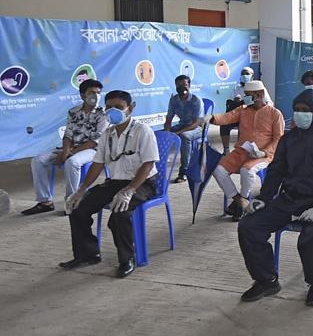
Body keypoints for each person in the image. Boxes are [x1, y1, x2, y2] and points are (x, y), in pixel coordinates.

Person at [237, 88, 313, 306]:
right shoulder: (289, 139)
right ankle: (266, 279)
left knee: (311, 236)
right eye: (296, 110)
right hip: (290, 199)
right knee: (249, 226)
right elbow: (276, 171)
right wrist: (264, 197)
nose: (300, 114)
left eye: (305, 110)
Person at [60, 90, 159, 278]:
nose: (113, 111)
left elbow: (148, 164)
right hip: (115, 182)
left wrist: (130, 190)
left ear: (131, 108)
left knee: (119, 213)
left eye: (119, 107)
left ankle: (126, 260)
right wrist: (80, 190)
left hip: (142, 183)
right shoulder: (107, 134)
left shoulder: (142, 131)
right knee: (77, 207)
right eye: (109, 107)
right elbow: (97, 164)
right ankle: (88, 254)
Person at [22, 79, 108, 216]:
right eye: (92, 92)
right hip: (72, 148)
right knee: (38, 160)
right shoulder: (73, 111)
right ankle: (45, 202)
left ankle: (71, 202)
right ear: (82, 95)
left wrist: (69, 154)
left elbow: (94, 141)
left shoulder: (103, 114)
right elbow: (67, 135)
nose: (96, 96)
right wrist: (65, 151)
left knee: (72, 162)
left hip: (93, 150)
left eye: (98, 93)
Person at [204, 80, 284, 221]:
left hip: (263, 155)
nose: (245, 98)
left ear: (259, 94)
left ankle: (241, 201)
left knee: (246, 171)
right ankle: (240, 201)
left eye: (248, 95)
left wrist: (264, 152)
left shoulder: (275, 114)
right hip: (241, 151)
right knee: (217, 169)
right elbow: (227, 117)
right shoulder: (243, 110)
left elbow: (279, 139)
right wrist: (211, 118)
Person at [163, 75, 203, 183]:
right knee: (159, 135)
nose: (182, 87)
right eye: (179, 85)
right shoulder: (174, 100)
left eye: (184, 85)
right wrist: (167, 132)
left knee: (184, 136)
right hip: (182, 124)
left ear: (189, 85)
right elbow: (168, 119)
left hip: (197, 128)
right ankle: (157, 171)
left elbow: (196, 123)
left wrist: (178, 132)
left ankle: (184, 172)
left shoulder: (196, 100)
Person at [221, 67, 253, 154]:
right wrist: (236, 101)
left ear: (252, 76)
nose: (244, 76)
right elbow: (230, 102)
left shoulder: (257, 87)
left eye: (247, 74)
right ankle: (226, 150)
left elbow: (268, 102)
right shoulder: (237, 88)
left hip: (252, 117)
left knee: (243, 126)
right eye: (243, 74)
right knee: (224, 124)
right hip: (238, 114)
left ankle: (241, 150)